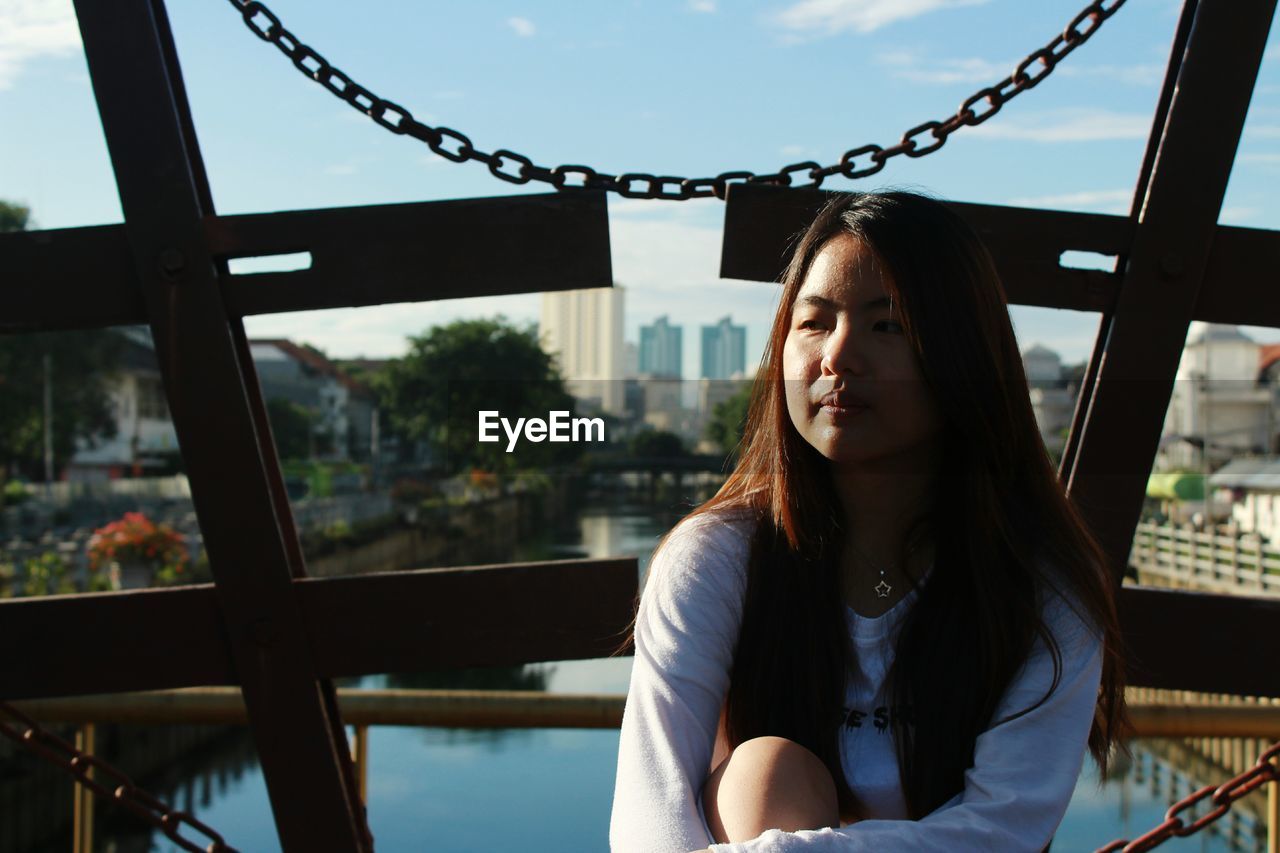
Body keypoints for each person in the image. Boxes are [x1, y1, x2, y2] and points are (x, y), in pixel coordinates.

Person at [608, 190, 1131, 852]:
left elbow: (1005, 830)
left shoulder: (1042, 583)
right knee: (768, 772)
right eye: (815, 323)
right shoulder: (718, 555)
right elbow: (646, 818)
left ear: (964, 357)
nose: (838, 357)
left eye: (888, 326)